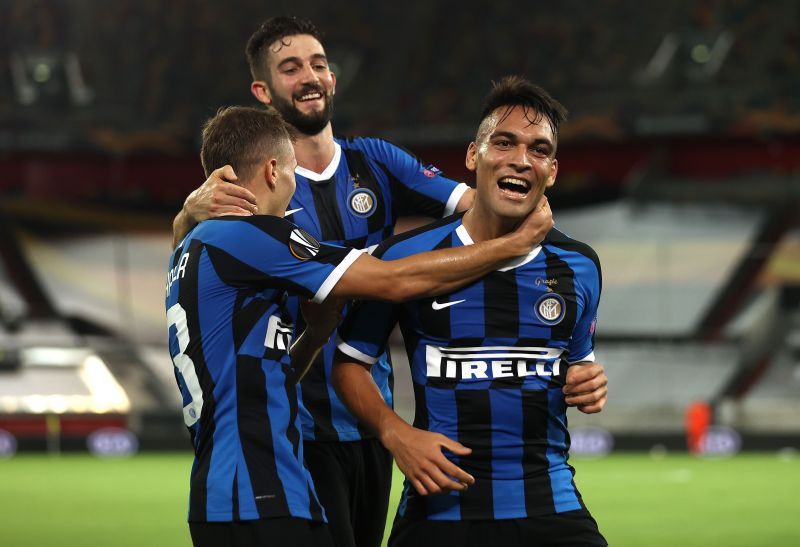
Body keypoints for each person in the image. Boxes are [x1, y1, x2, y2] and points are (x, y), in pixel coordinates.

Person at [170, 16, 607, 547]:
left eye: (319, 63)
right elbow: (394, 280)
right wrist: (187, 214)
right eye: (291, 68)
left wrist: (536, 230)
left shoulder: (374, 160)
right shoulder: (241, 216)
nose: (310, 76)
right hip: (296, 439)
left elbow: (484, 201)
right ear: (263, 92)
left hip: (357, 435)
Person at [333, 76, 608, 547]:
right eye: (504, 143)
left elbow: (578, 366)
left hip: (549, 504)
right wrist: (395, 432)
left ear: (553, 170)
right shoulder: (405, 258)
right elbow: (349, 364)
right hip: (439, 509)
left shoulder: (579, 265)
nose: (521, 159)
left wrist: (588, 382)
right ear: (472, 156)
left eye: (539, 150)